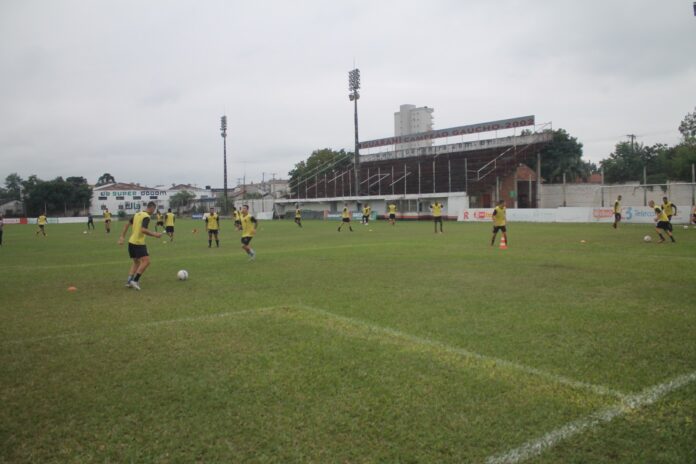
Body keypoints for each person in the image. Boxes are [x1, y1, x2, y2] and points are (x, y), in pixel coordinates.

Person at [118, 201, 162, 290]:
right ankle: (135, 280)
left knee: (136, 262)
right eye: (154, 209)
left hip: (131, 242)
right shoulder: (146, 217)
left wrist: (122, 237)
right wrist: (155, 234)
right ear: (152, 208)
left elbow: (127, 225)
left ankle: (129, 281)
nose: (154, 211)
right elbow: (143, 230)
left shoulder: (137, 214)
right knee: (146, 261)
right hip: (138, 243)